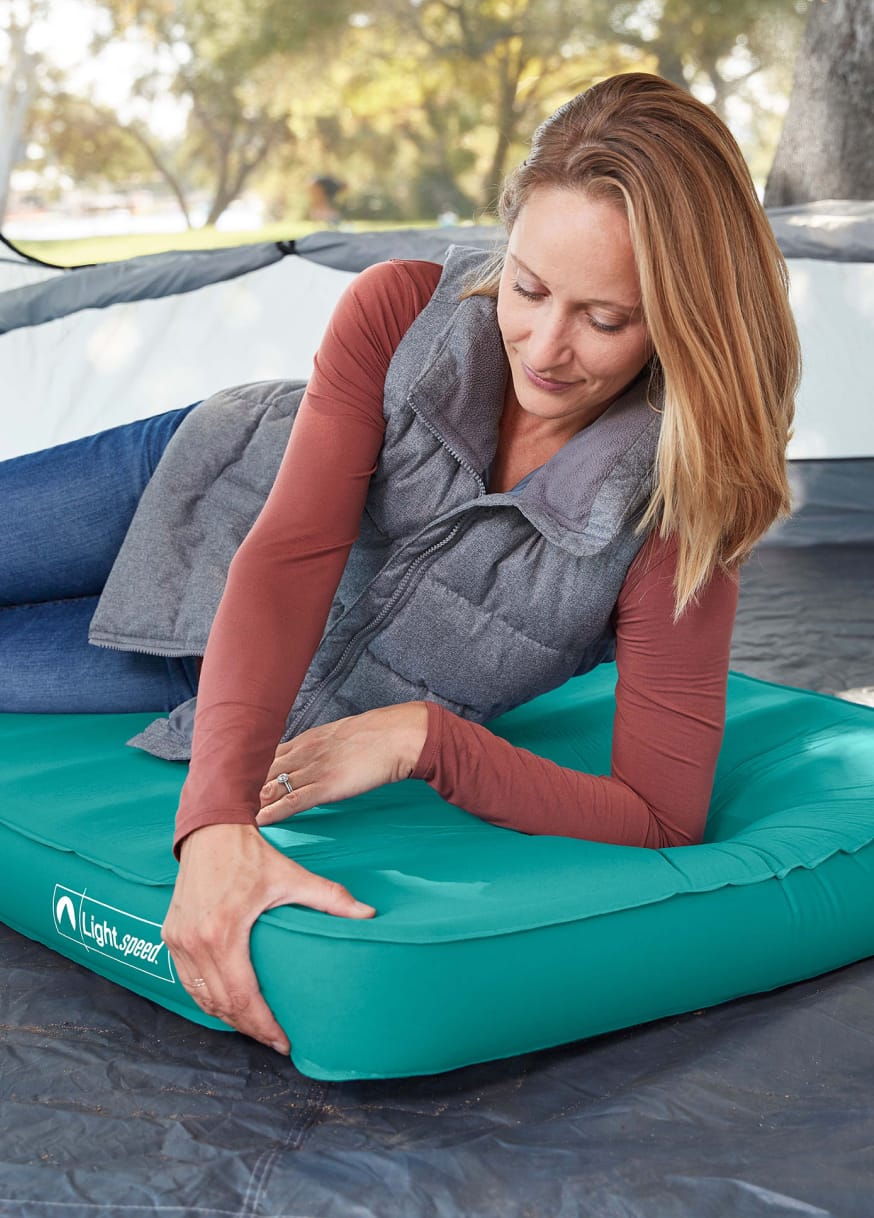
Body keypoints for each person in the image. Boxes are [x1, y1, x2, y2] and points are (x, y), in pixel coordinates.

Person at [0, 73, 799, 1057]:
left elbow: (663, 816)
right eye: (528, 287)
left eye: (604, 319)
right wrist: (212, 832)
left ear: (686, 325)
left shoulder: (677, 519)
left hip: (194, 666)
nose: (544, 347)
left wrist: (432, 740)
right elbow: (292, 556)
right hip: (186, 482)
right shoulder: (398, 309)